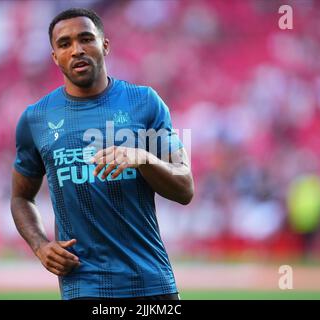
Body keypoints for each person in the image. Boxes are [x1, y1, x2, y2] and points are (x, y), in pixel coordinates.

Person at [10, 7, 194, 300]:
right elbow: (21, 197)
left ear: (104, 45)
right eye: (65, 43)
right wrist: (40, 244)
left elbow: (185, 188)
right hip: (83, 284)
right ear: (54, 57)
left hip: (151, 282)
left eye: (86, 39)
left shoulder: (144, 102)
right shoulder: (36, 118)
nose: (77, 50)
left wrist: (143, 158)